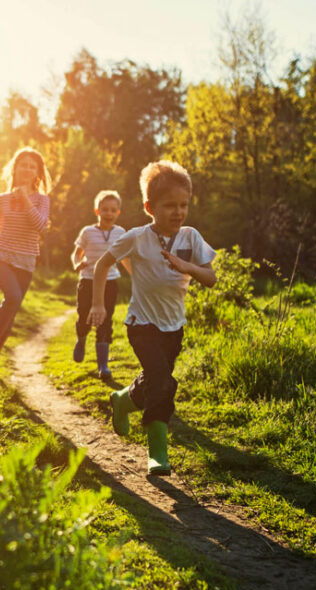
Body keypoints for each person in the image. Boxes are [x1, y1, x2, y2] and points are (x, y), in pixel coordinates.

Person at [87, 161, 216, 475]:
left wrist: (189, 268)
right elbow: (102, 265)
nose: (178, 211)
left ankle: (123, 400)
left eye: (183, 204)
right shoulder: (137, 237)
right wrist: (98, 305)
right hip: (142, 324)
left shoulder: (191, 237)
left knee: (155, 381)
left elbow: (211, 278)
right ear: (149, 207)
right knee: (163, 382)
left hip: (175, 327)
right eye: (169, 205)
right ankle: (158, 454)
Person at [0, 146, 52, 379]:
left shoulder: (42, 200)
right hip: (1, 256)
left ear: (37, 172)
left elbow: (40, 226)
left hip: (26, 261)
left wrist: (26, 200)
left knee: (11, 308)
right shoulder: (2, 199)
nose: (26, 169)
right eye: (22, 164)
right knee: (13, 297)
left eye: (31, 166)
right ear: (14, 168)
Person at [70, 190, 127, 379]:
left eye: (113, 210)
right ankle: (81, 338)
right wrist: (77, 264)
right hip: (87, 280)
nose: (109, 213)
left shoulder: (121, 233)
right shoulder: (87, 232)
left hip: (110, 282)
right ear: (97, 211)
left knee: (105, 320)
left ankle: (103, 366)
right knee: (84, 316)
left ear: (118, 212)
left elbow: (126, 257)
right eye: (105, 210)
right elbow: (76, 253)